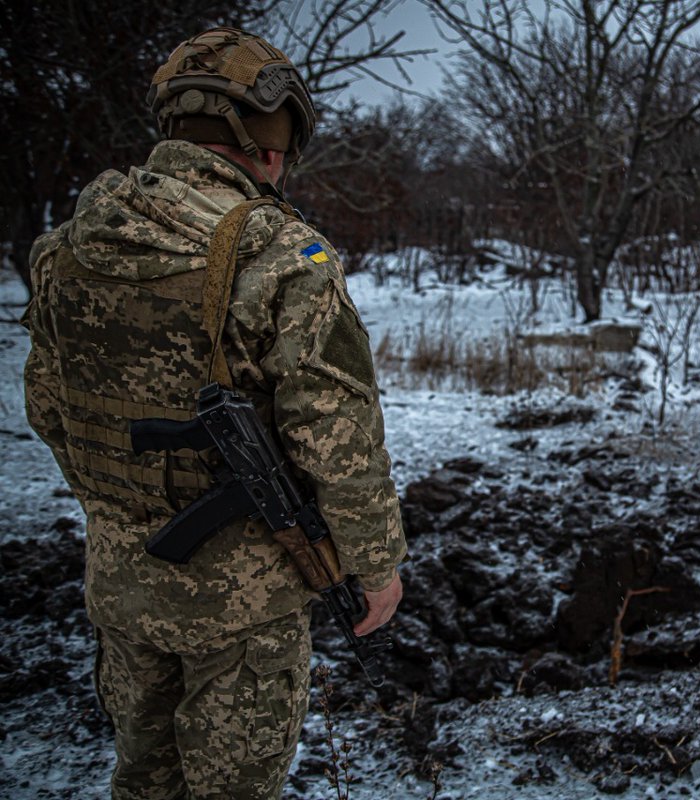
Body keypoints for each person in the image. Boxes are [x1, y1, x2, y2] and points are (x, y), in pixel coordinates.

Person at [21, 27, 407, 799]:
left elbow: (48, 408)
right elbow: (339, 435)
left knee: (142, 780)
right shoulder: (283, 255)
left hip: (122, 584)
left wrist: (125, 506)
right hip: (246, 602)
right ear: (272, 142)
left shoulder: (71, 243)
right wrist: (376, 565)